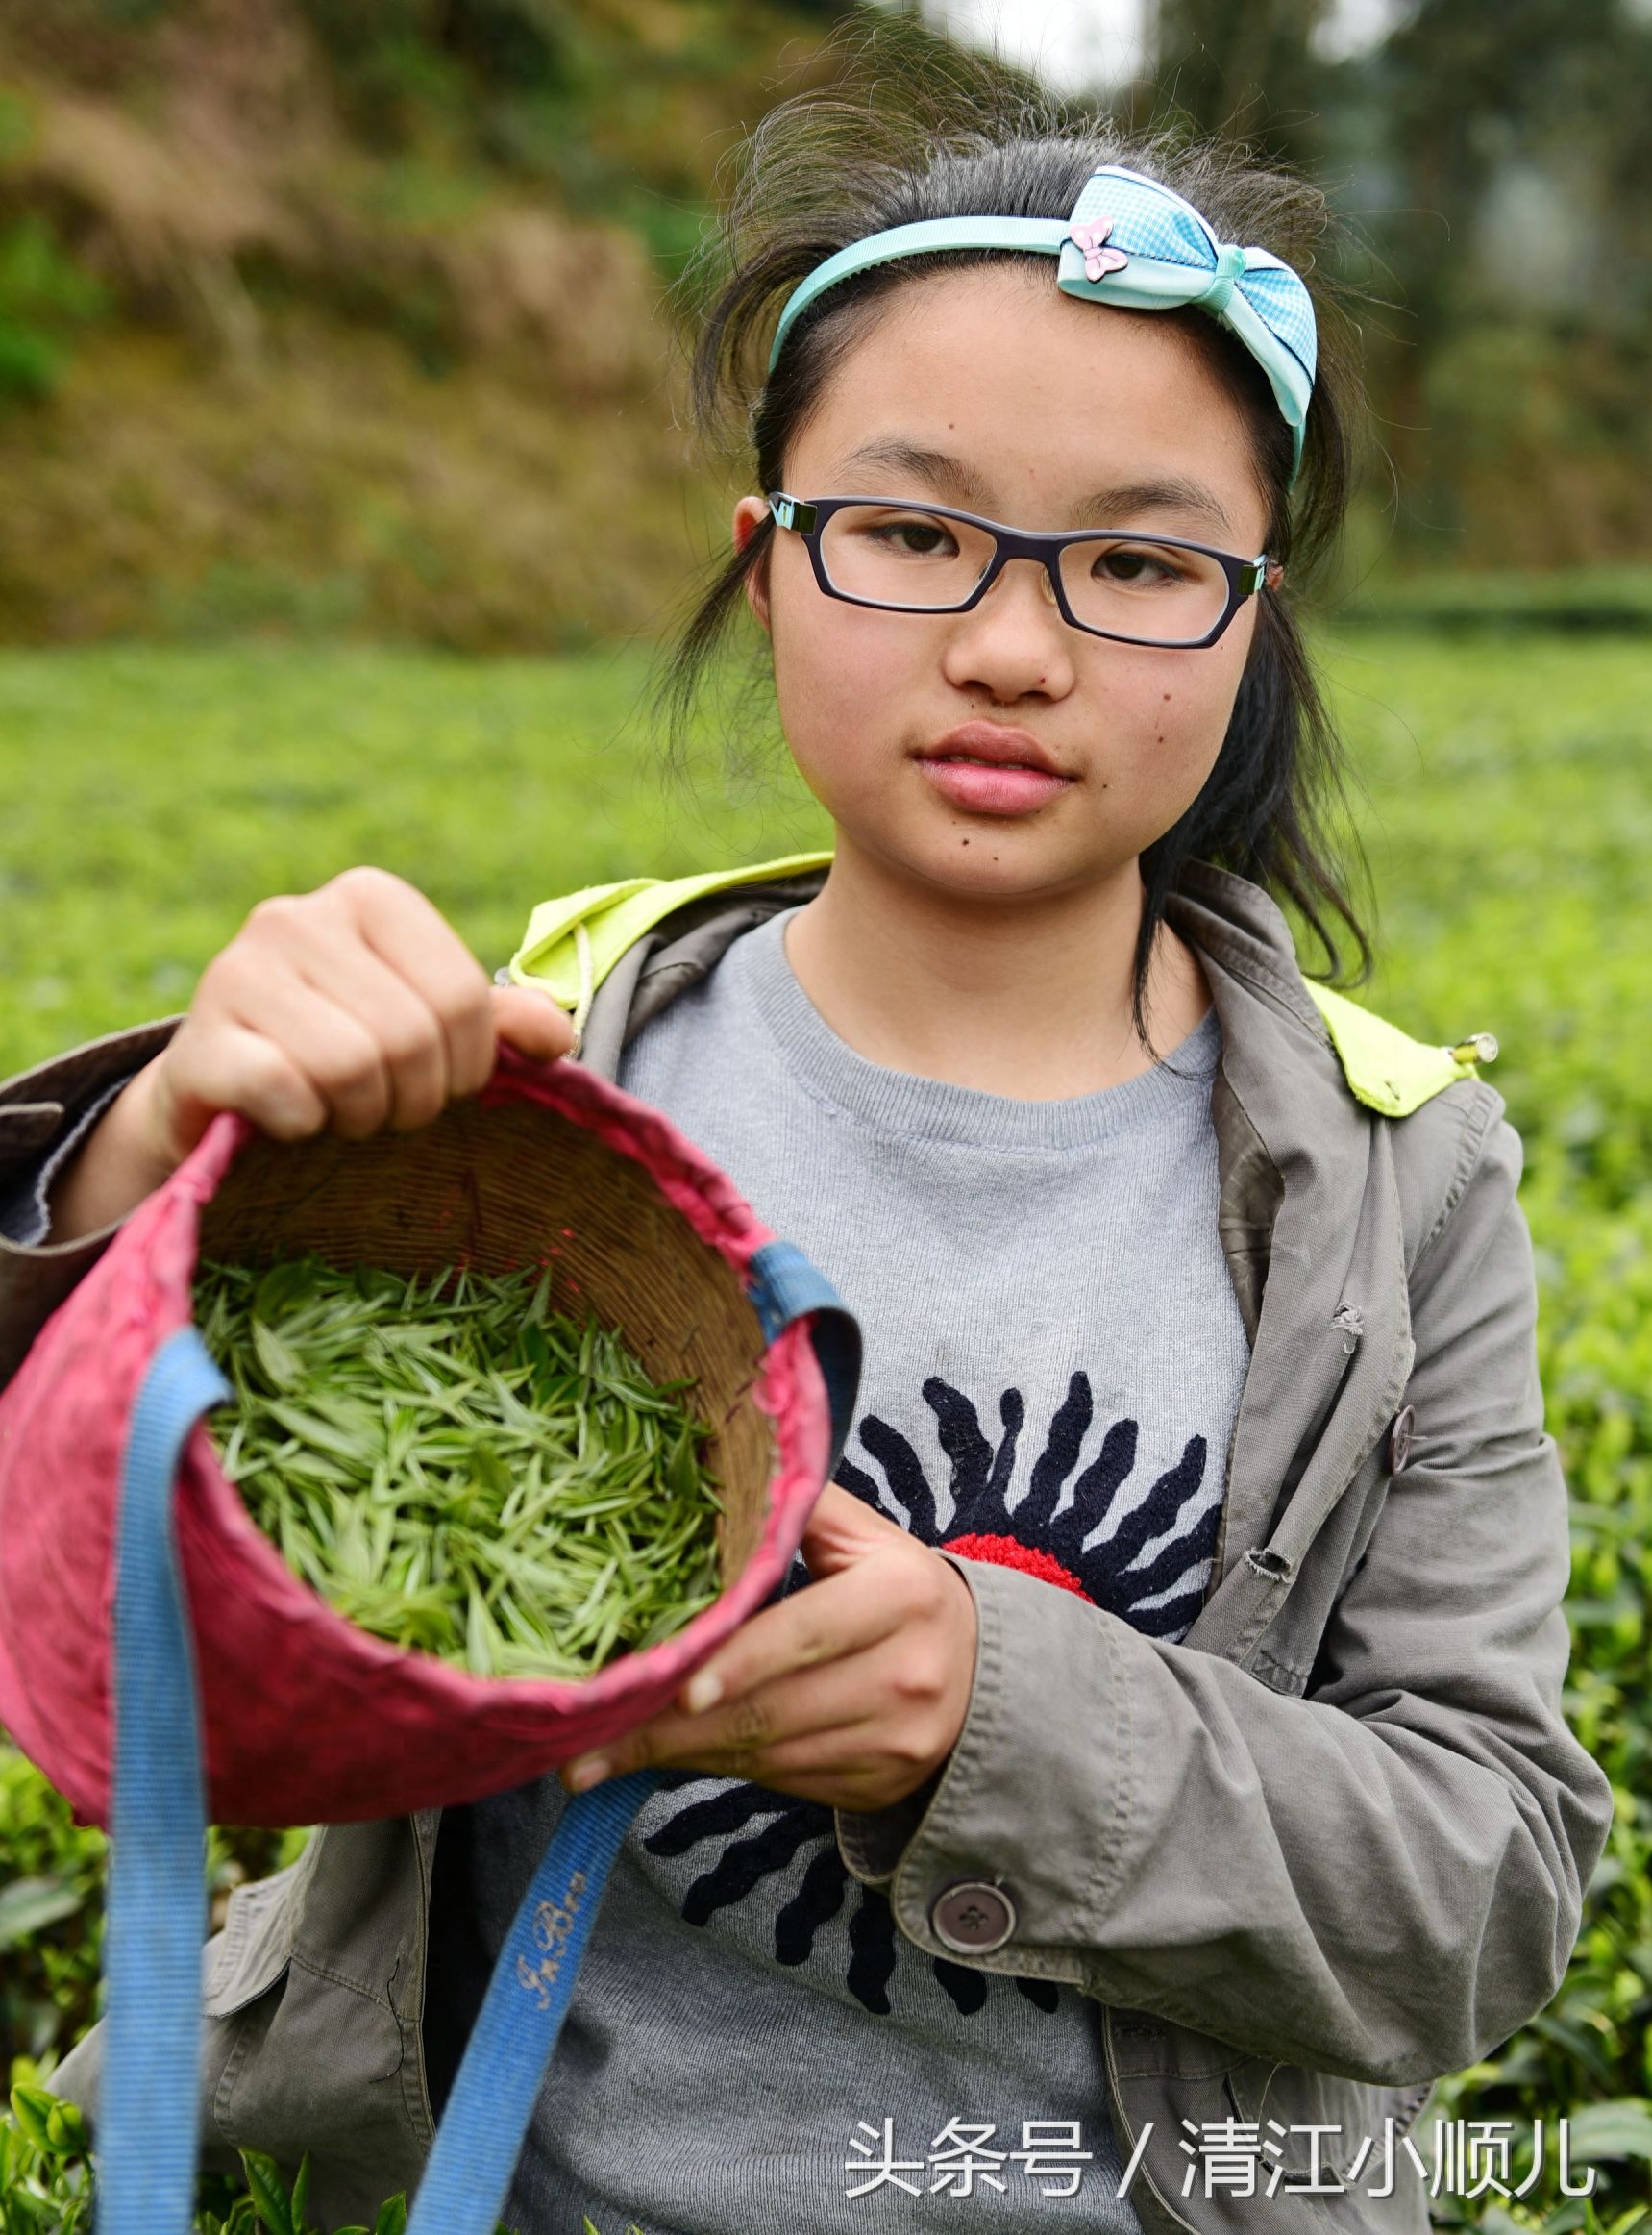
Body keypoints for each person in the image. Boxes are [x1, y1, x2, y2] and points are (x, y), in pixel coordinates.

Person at [0, 50, 1613, 2235]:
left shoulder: (1399, 1183)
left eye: (1139, 561)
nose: (1014, 643)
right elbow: (129, 1619)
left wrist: (994, 1711)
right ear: (763, 564)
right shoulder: (542, 1073)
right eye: (912, 531)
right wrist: (141, 1166)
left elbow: (1490, 1879)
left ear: (1246, 628)